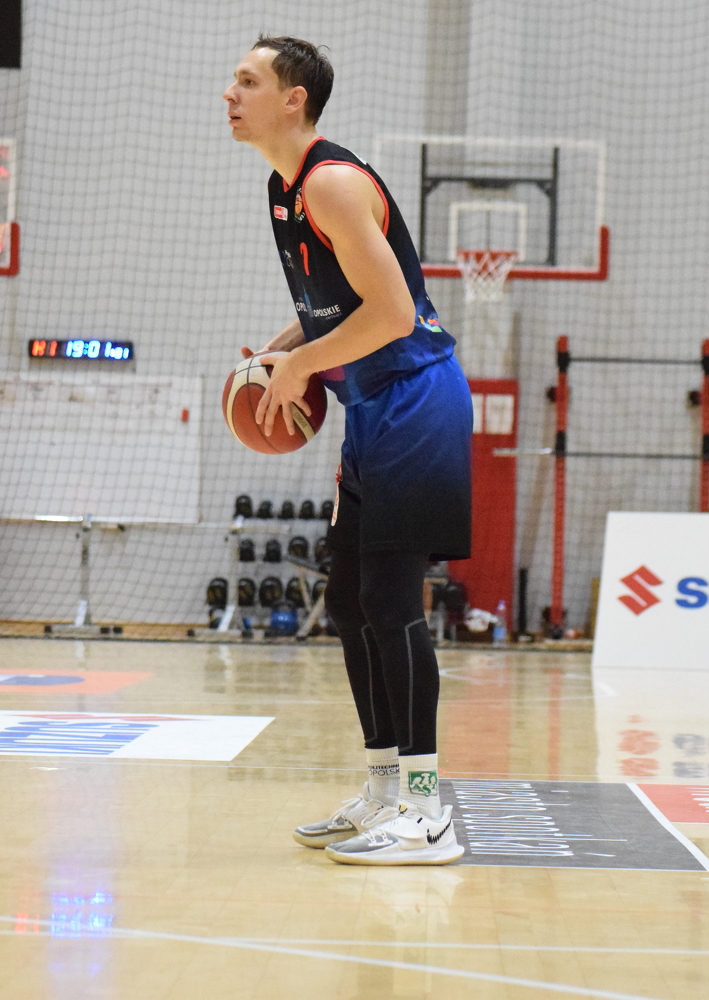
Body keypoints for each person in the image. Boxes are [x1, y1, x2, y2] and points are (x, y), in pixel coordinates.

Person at [224, 37, 472, 865]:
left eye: (248, 81)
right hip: (372, 408)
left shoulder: (330, 182)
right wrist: (282, 348)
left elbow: (394, 312)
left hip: (417, 401)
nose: (230, 93)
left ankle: (428, 814)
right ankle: (385, 790)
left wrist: (301, 368)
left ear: (293, 99)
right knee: (349, 604)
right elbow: (338, 305)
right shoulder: (283, 188)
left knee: (394, 604)